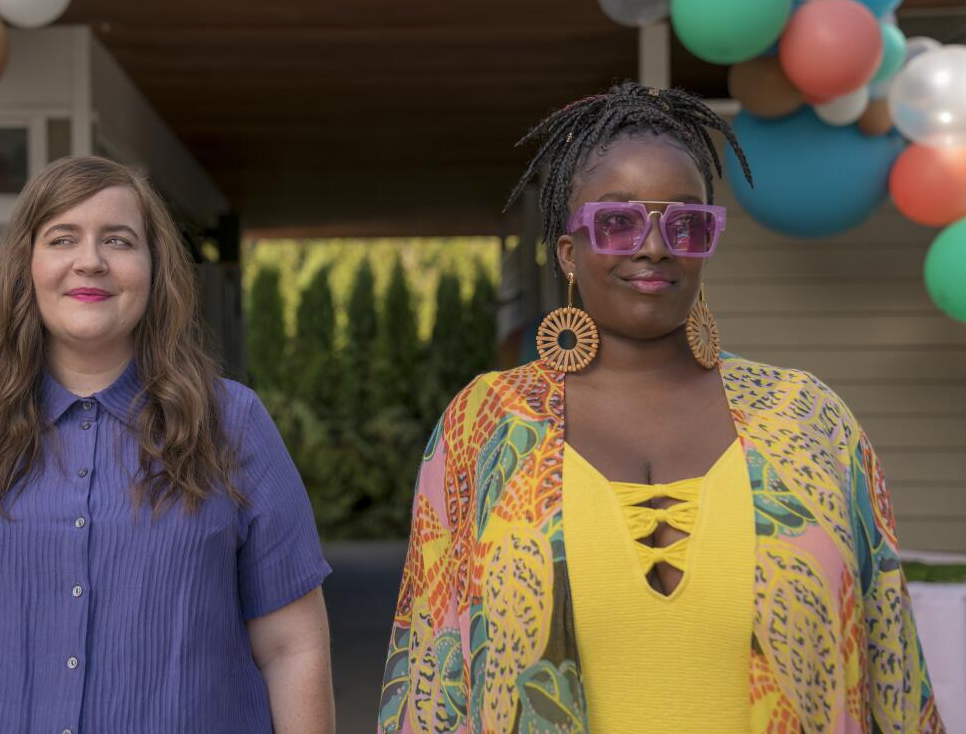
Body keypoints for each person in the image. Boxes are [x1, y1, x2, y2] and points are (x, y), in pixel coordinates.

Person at [377, 83, 943, 734]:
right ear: (568, 250)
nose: (653, 246)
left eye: (685, 223)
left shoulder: (810, 420)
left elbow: (892, 663)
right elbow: (428, 677)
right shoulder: (485, 427)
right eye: (617, 221)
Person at [0, 156, 334, 734]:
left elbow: (293, 649)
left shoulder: (233, 423)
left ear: (154, 268)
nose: (90, 261)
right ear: (26, 267)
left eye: (119, 240)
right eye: (63, 238)